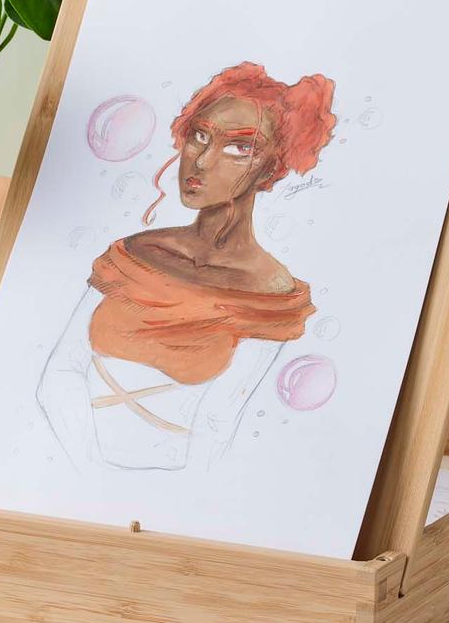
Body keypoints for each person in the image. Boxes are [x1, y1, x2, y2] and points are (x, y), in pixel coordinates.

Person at [38, 63, 337, 470]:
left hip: (172, 496)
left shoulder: (271, 292)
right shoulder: (132, 254)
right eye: (200, 136)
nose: (201, 161)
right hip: (66, 473)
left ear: (272, 168)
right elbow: (59, 372)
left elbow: (217, 424)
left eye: (239, 148)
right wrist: (85, 471)